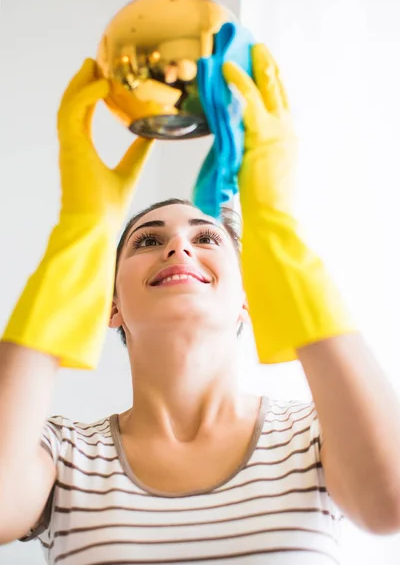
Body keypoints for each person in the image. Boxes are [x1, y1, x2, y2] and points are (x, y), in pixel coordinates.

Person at [1, 46, 400, 565]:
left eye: (207, 238)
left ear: (246, 297)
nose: (179, 247)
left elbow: (388, 503)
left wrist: (275, 230)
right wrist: (80, 235)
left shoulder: (317, 435)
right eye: (147, 240)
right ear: (111, 304)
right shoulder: (63, 452)